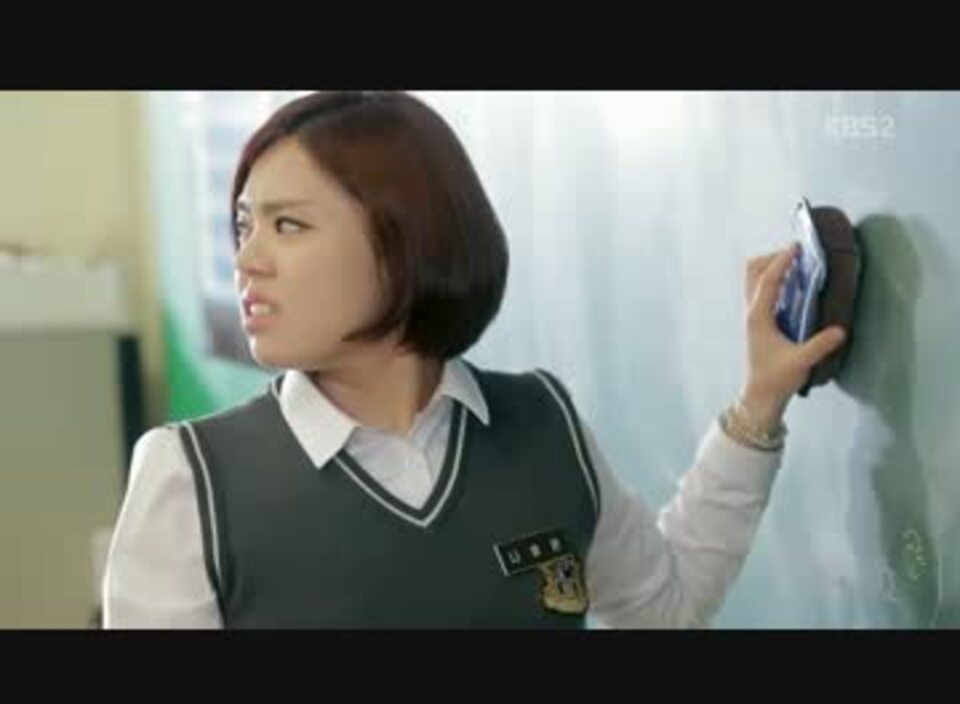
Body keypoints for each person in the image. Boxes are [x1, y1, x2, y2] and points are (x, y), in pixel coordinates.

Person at [102, 91, 847, 629]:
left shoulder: (543, 424)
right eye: (244, 227)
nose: (247, 260)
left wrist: (760, 405)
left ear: (404, 239)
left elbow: (663, 608)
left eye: (288, 225)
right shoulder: (189, 479)